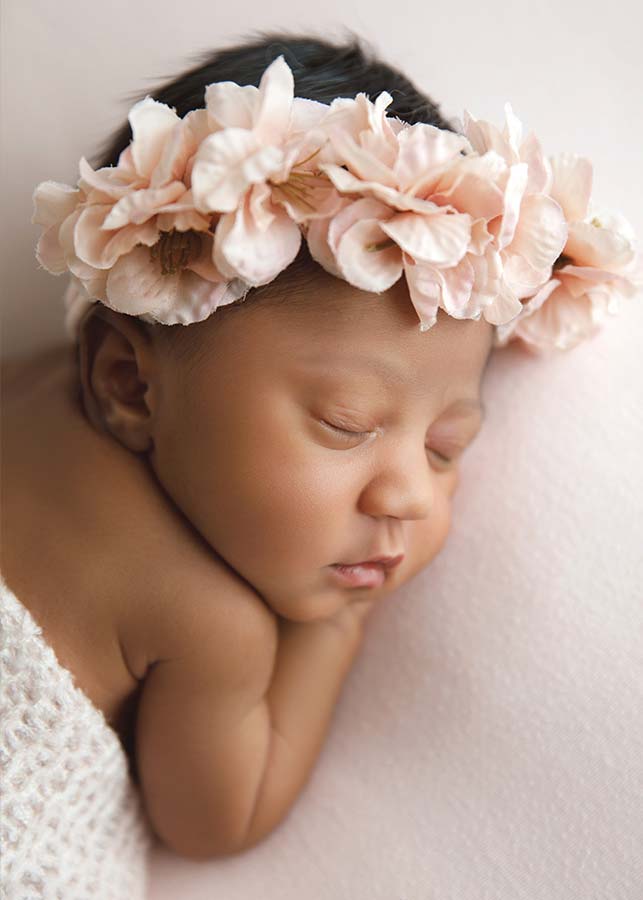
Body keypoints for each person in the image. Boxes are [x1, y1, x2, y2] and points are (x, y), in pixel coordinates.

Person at [1, 28, 639, 899]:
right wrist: (331, 626)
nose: (410, 494)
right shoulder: (207, 622)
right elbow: (217, 823)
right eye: (347, 425)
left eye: (446, 447)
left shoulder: (27, 382)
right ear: (129, 382)